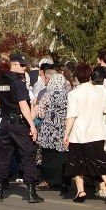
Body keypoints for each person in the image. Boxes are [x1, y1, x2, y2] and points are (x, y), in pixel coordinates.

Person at [0, 53, 42, 204]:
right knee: (28, 154)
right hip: (19, 123)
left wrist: (7, 101)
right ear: (13, 65)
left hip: (5, 123)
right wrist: (32, 125)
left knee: (3, 156)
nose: (24, 67)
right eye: (21, 65)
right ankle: (31, 193)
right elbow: (23, 105)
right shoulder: (19, 83)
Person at [62, 63, 106, 204]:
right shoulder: (100, 92)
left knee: (77, 163)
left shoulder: (73, 94)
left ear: (77, 77)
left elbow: (71, 115)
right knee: (99, 161)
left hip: (79, 133)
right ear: (90, 76)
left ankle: (81, 191)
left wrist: (66, 133)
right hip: (97, 131)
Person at [35, 62, 69, 192]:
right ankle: (63, 181)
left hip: (49, 130)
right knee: (62, 155)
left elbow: (40, 112)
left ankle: (48, 180)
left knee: (49, 156)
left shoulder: (47, 95)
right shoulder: (68, 95)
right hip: (63, 129)